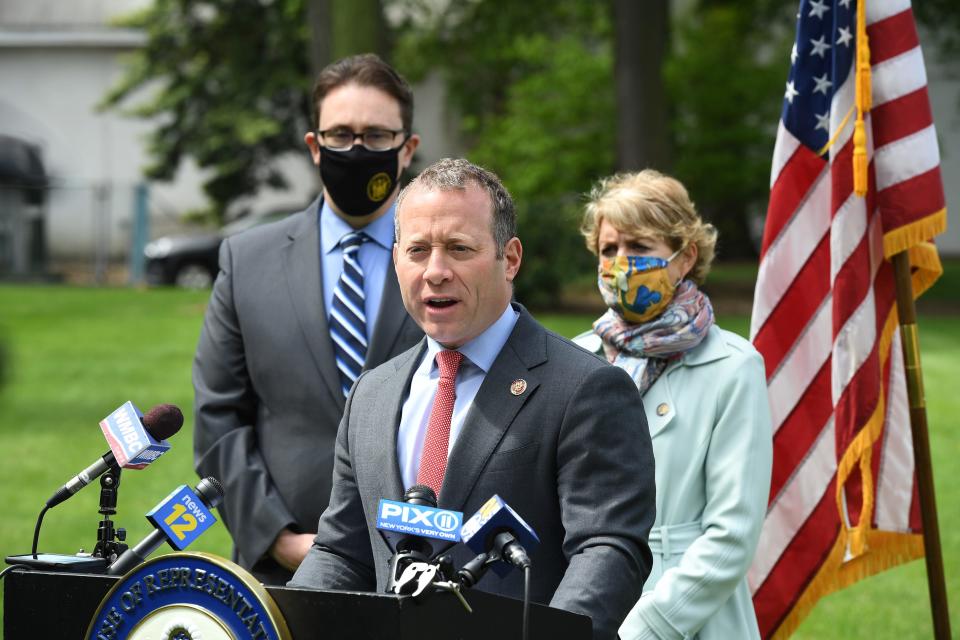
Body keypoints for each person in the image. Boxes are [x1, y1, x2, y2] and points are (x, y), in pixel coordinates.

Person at [289, 158, 656, 640]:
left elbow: (608, 549)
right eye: (418, 250)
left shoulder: (585, 388)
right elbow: (343, 551)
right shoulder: (371, 395)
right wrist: (279, 626)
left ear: (510, 259)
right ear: (396, 258)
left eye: (459, 249)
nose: (436, 271)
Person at [193, 54, 425, 585]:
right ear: (314, 146)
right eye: (340, 135)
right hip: (282, 572)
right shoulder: (246, 261)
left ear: (407, 149)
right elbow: (219, 419)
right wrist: (277, 537)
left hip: (423, 568)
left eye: (376, 135)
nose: (357, 150)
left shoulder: (445, 265)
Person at [573, 170, 773, 640]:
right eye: (608, 250)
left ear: (685, 259)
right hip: (588, 608)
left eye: (639, 247)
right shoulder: (578, 359)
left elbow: (731, 537)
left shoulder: (733, 367)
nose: (621, 264)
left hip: (692, 620)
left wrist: (645, 627)